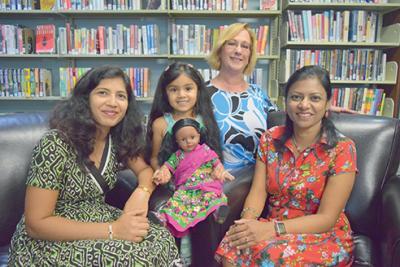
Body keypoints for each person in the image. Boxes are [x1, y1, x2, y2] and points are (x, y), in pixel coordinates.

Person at [8, 66, 180, 266]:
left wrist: (141, 193)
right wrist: (113, 230)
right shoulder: (55, 142)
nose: (113, 103)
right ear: (85, 98)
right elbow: (36, 224)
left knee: (161, 240)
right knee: (133, 256)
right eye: (103, 93)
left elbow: (144, 170)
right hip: (49, 239)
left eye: (121, 96)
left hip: (96, 217)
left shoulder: (115, 138)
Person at [215, 65, 357, 266]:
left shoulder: (343, 148)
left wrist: (271, 230)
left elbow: (327, 218)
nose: (304, 105)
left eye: (315, 98)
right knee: (233, 245)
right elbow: (257, 193)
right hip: (273, 227)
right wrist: (248, 222)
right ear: (286, 101)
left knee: (271, 256)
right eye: (296, 97)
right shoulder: (270, 139)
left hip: (321, 234)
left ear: (327, 104)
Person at [206, 22, 278, 172]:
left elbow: (285, 127)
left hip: (256, 185)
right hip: (213, 187)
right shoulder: (201, 94)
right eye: (232, 44)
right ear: (220, 50)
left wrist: (321, 110)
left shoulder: (259, 95)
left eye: (245, 46)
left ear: (250, 55)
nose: (238, 50)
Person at [152, 118, 234, 238]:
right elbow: (167, 168)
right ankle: (163, 218)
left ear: (199, 136)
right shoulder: (177, 156)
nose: (188, 142)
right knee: (176, 202)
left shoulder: (206, 151)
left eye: (192, 137)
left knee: (212, 197)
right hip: (186, 190)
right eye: (183, 139)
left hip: (206, 186)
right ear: (177, 141)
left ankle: (217, 212)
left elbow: (217, 163)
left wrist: (221, 172)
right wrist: (161, 174)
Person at [145, 61, 222, 170]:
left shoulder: (205, 120)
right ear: (165, 93)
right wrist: (161, 174)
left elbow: (214, 156)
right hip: (172, 183)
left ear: (198, 91)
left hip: (204, 182)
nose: (181, 95)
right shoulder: (160, 124)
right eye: (174, 90)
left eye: (188, 89)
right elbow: (154, 158)